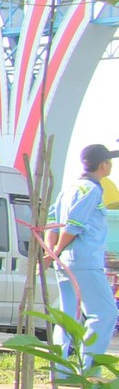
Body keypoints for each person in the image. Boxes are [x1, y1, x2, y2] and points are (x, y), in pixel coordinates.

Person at [45, 143, 117, 366]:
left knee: (67, 317)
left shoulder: (70, 188)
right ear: (103, 165)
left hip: (64, 262)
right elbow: (74, 225)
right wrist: (55, 251)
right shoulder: (92, 190)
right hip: (84, 261)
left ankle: (60, 371)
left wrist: (52, 252)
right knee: (104, 314)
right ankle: (89, 371)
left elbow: (52, 223)